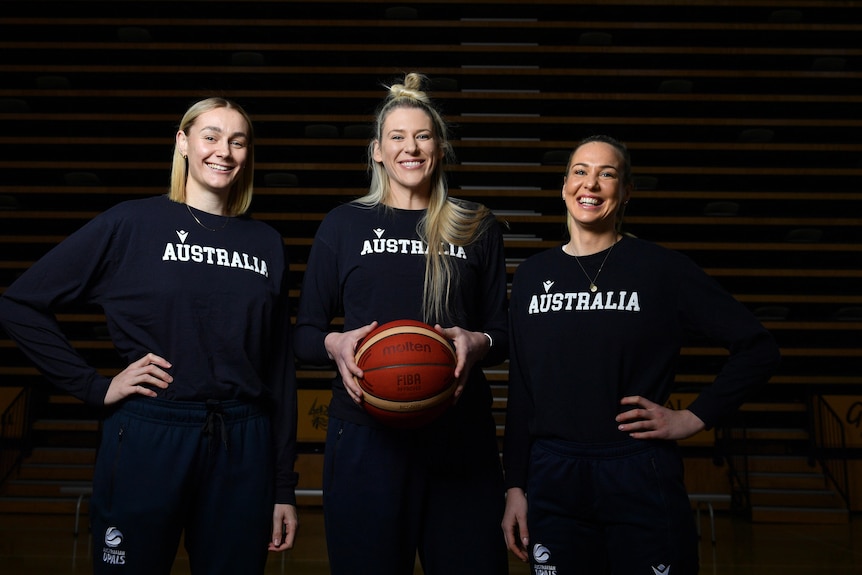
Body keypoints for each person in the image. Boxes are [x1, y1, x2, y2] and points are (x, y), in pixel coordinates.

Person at [0, 97, 299, 574]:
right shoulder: (132, 224)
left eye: (238, 141)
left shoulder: (265, 243)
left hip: (243, 443)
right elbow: (19, 304)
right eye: (211, 136)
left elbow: (280, 370)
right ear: (183, 143)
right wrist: (94, 387)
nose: (224, 151)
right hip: (150, 433)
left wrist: (283, 486)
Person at [501, 135, 781, 574]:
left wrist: (692, 417)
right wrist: (514, 486)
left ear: (626, 190)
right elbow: (522, 390)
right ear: (564, 185)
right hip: (553, 475)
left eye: (607, 173)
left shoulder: (662, 269)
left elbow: (758, 348)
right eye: (580, 171)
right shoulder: (533, 277)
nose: (590, 183)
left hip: (636, 468)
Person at [293, 73, 509, 575]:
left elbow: (502, 332)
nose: (410, 148)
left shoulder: (475, 223)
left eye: (423, 136)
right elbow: (304, 333)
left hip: (460, 437)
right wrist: (335, 342)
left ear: (440, 147)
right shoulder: (343, 224)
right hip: (367, 437)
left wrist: (478, 342)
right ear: (376, 151)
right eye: (397, 137)